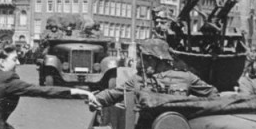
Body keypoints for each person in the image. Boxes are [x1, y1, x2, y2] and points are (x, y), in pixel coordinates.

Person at [89, 38, 218, 109]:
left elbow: (212, 94)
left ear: (152, 59)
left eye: (143, 58)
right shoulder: (138, 79)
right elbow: (114, 94)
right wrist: (96, 98)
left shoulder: (187, 77)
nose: (140, 62)